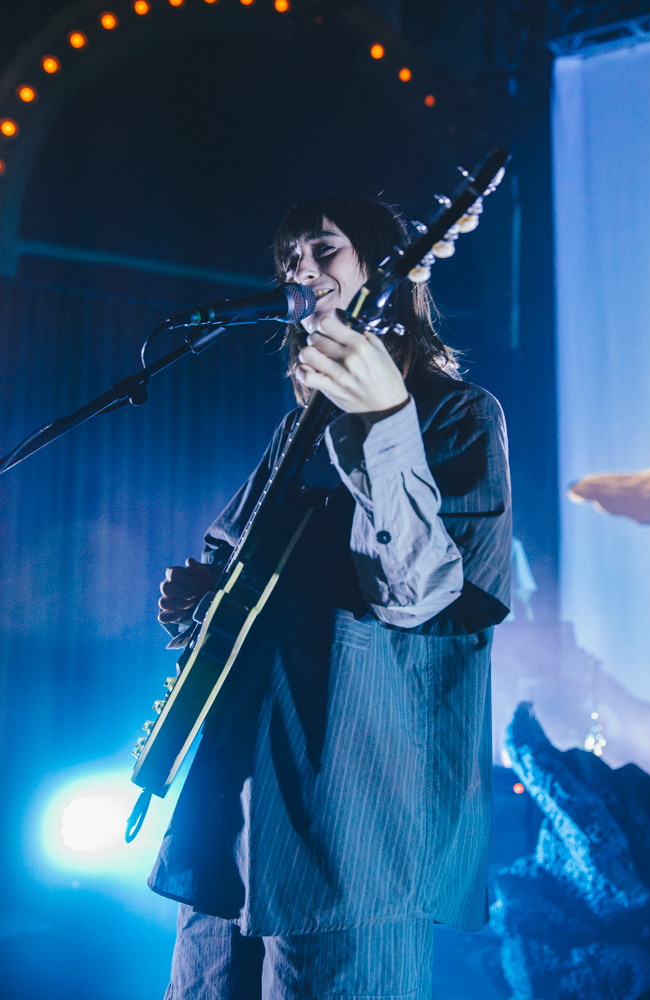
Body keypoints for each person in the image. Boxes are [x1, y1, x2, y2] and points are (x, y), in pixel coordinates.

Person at [150, 196, 512, 999]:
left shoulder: (458, 418)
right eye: (287, 260)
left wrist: (382, 418)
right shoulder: (295, 432)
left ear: (384, 270)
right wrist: (193, 599)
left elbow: (418, 592)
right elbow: (229, 581)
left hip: (355, 823)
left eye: (323, 250)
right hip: (240, 806)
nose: (299, 272)